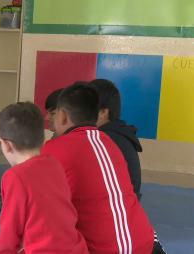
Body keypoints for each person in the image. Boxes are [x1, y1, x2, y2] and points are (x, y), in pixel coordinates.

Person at [41, 82, 155, 253]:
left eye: (54, 113)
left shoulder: (55, 148)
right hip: (144, 242)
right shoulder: (110, 142)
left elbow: (40, 210)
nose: (48, 118)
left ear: (63, 116)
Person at [0, 102, 88, 253]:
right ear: (42, 138)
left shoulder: (14, 176)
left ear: (6, 145)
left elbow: (9, 233)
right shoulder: (54, 165)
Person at [89, 79, 142, 200]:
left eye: (86, 107)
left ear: (103, 112)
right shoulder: (117, 132)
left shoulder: (105, 139)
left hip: (120, 208)